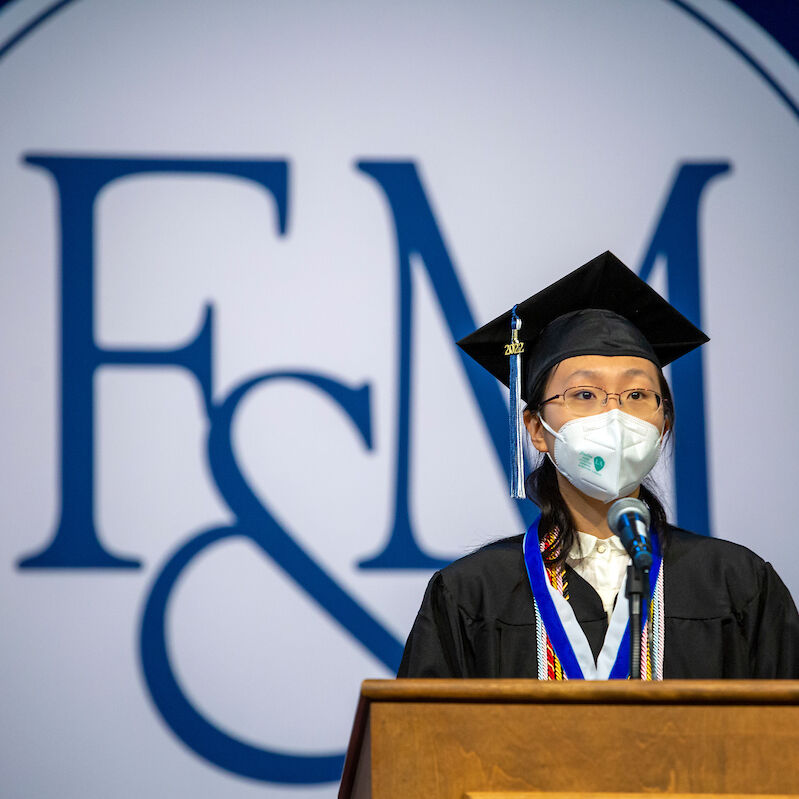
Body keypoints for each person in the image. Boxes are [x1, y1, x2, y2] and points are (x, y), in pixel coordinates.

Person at [398, 251, 799, 679]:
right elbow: (421, 739)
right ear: (536, 428)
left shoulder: (735, 583)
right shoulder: (473, 593)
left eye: (637, 395)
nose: (615, 415)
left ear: (664, 421)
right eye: (585, 395)